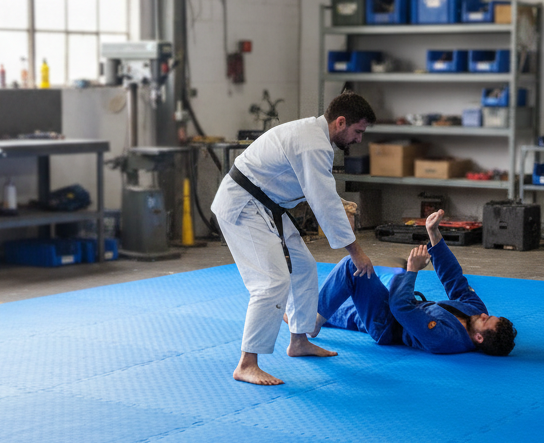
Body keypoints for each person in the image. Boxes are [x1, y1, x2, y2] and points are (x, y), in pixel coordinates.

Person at [211, 91, 376, 386]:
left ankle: (298, 341)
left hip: (267, 206)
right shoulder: (313, 144)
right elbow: (323, 201)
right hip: (244, 206)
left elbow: (318, 189)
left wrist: (337, 203)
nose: (359, 139)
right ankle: (247, 364)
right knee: (272, 282)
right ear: (340, 122)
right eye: (358, 131)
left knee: (303, 267)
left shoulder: (314, 138)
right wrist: (356, 252)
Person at [315, 209, 517, 356]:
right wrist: (434, 234)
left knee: (353, 266)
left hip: (385, 323)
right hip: (400, 305)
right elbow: (454, 279)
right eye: (489, 316)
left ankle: (312, 324)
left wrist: (412, 270)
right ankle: (308, 316)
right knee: (341, 309)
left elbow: (400, 308)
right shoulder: (476, 311)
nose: (484, 314)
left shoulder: (445, 339)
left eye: (486, 320)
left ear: (479, 338)